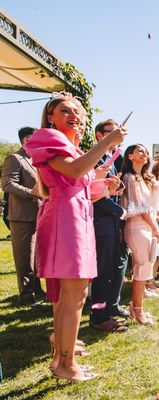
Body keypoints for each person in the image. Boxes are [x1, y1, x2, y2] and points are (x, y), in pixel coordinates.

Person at [25, 92, 126, 383]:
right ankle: (66, 365)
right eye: (64, 110)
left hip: (76, 215)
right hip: (65, 219)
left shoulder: (70, 146)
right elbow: (73, 170)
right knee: (72, 296)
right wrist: (107, 142)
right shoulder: (49, 138)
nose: (74, 116)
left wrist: (101, 184)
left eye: (78, 112)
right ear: (50, 117)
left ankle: (62, 357)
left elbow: (76, 182)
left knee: (72, 295)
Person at [121, 144, 159, 324]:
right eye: (140, 151)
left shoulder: (145, 178)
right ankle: (137, 311)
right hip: (137, 226)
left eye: (146, 152)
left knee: (145, 266)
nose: (145, 154)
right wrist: (154, 228)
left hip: (147, 225)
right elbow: (139, 207)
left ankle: (136, 307)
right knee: (142, 266)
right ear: (130, 156)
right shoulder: (130, 177)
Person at [89, 119, 128, 333]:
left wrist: (115, 190)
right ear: (99, 135)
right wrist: (119, 211)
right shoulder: (96, 157)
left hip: (110, 220)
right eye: (111, 132)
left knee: (111, 268)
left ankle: (105, 312)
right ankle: (98, 316)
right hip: (100, 219)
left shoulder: (111, 159)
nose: (117, 135)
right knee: (102, 271)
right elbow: (93, 194)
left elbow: (104, 191)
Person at [1, 126, 45, 305]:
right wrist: (32, 192)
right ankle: (26, 297)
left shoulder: (36, 161)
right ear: (24, 140)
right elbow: (8, 184)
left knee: (36, 257)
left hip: (38, 214)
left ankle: (37, 290)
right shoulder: (14, 158)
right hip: (21, 216)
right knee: (24, 257)